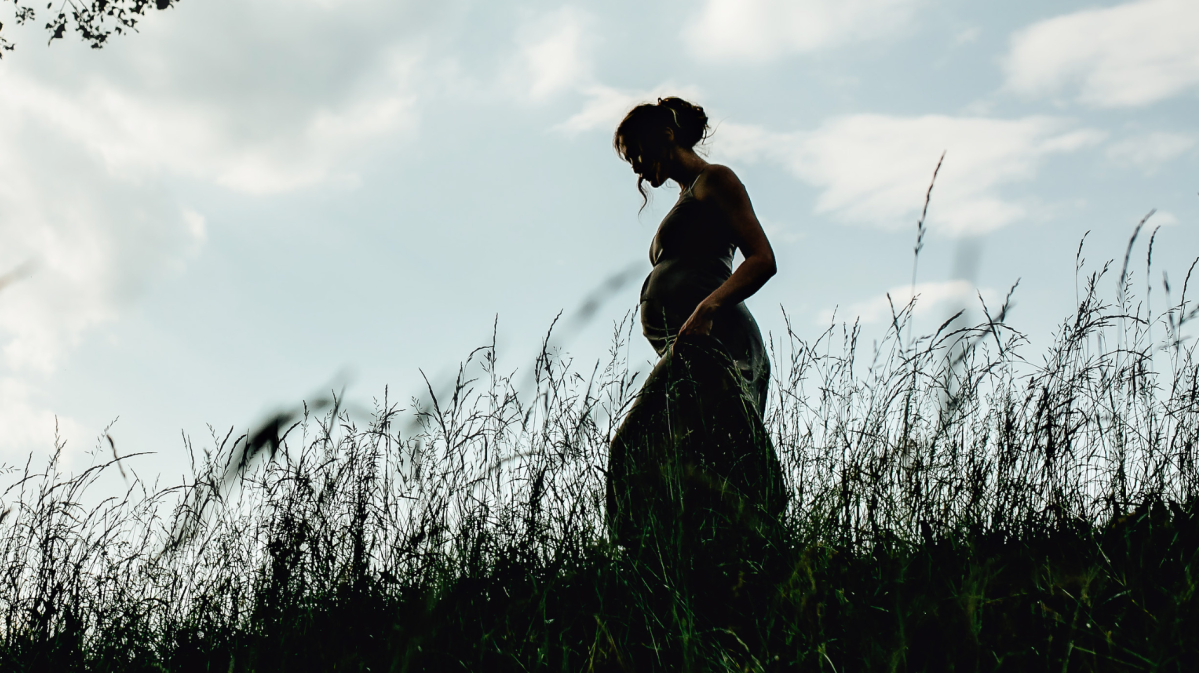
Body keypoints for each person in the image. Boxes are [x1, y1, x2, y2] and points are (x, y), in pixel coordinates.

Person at [605, 97, 786, 550]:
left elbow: (762, 259)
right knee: (686, 459)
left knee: (631, 447)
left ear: (666, 134)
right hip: (690, 345)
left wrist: (707, 309)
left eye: (636, 151)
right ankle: (706, 558)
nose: (636, 166)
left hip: (718, 340)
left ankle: (764, 537)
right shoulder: (687, 197)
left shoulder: (715, 180)